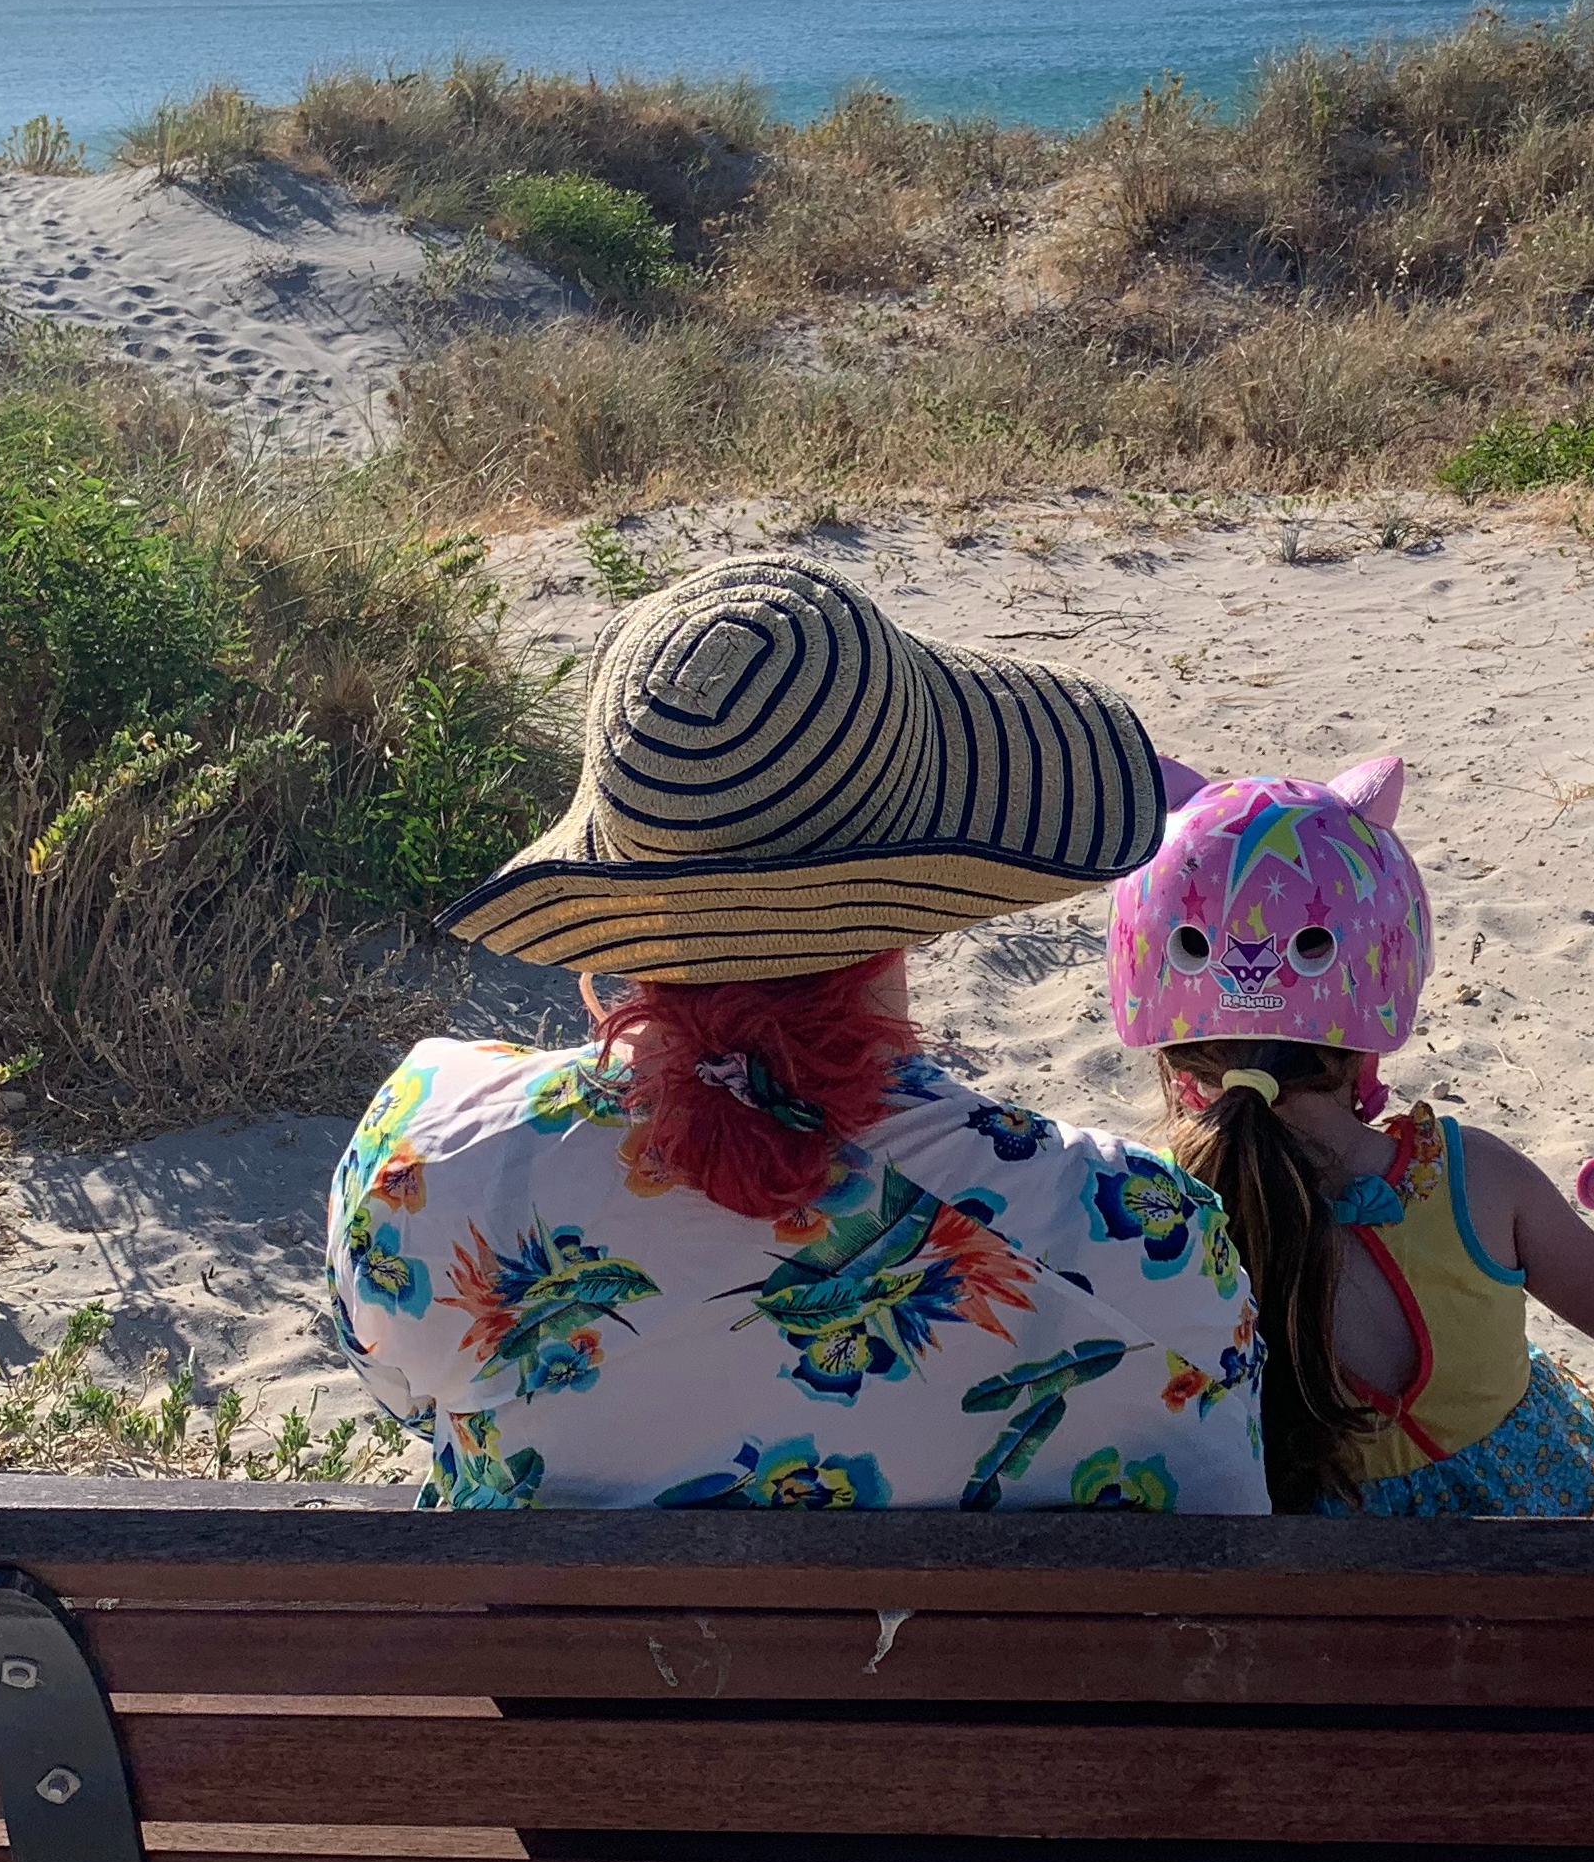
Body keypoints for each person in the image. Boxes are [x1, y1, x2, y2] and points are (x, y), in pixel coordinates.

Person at [324, 553, 1266, 1513]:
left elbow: (410, 1396)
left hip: (564, 1667)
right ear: (920, 893)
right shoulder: (1138, 1233)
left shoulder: (422, 1167)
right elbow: (1221, 1526)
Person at [1107, 755, 1594, 1517]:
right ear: (1382, 998)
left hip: (1299, 1599)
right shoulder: (1472, 1180)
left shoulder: (1140, 1213)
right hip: (1541, 1575)